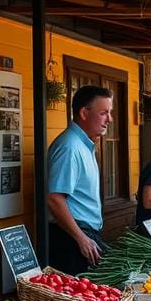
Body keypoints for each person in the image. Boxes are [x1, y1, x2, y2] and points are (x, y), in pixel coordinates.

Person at [46, 85, 112, 275]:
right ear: (84, 112)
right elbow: (54, 198)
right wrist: (80, 238)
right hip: (70, 238)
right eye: (104, 113)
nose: (109, 119)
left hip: (82, 234)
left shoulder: (84, 144)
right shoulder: (70, 147)